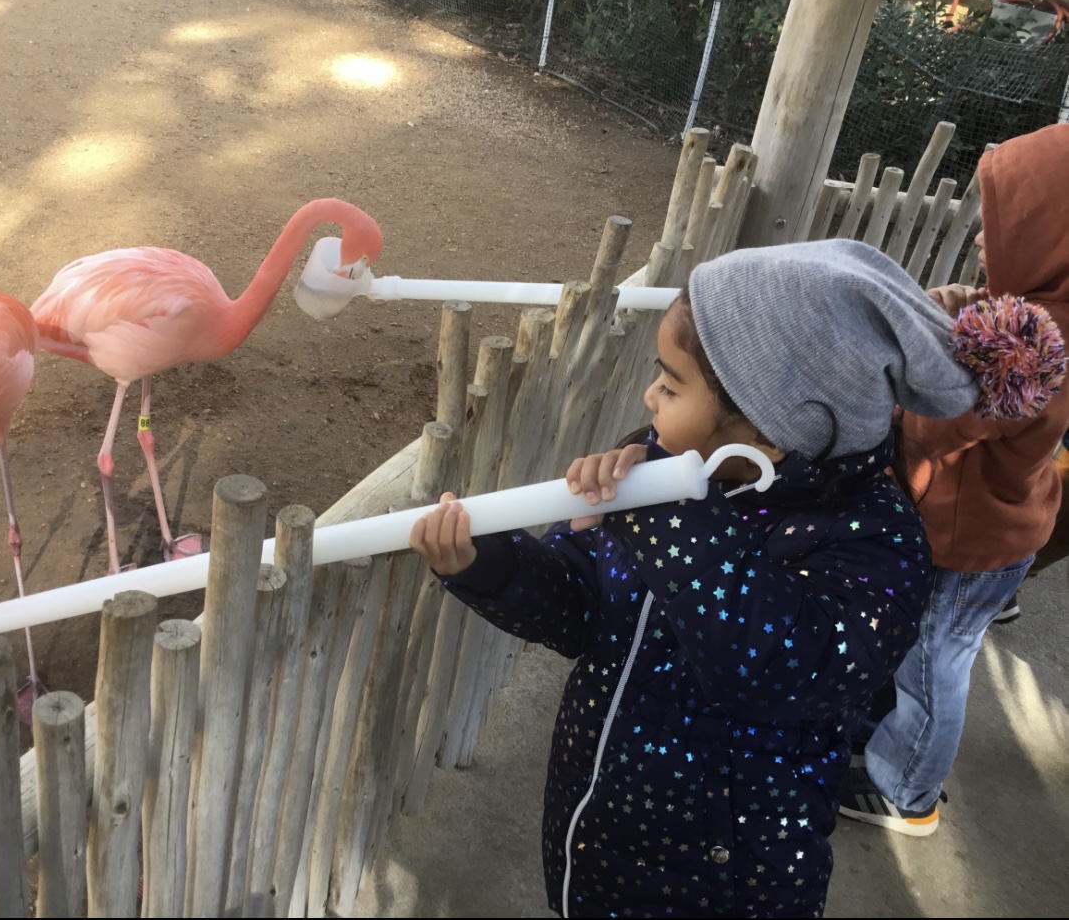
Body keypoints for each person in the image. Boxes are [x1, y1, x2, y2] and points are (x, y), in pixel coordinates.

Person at [410, 239, 1060, 917]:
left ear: (767, 429)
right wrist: (487, 563)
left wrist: (661, 514)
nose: (649, 397)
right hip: (598, 836)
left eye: (670, 384)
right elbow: (581, 610)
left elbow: (769, 667)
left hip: (730, 884)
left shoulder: (876, 547)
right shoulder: (670, 469)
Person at [839, 123, 1069, 836]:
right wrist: (960, 315)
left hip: (974, 539)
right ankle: (881, 738)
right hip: (979, 520)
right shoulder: (1034, 311)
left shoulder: (1031, 339)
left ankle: (908, 791)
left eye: (1001, 222)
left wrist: (920, 350)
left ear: (1050, 235)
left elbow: (938, 421)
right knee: (915, 639)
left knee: (936, 660)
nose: (978, 237)